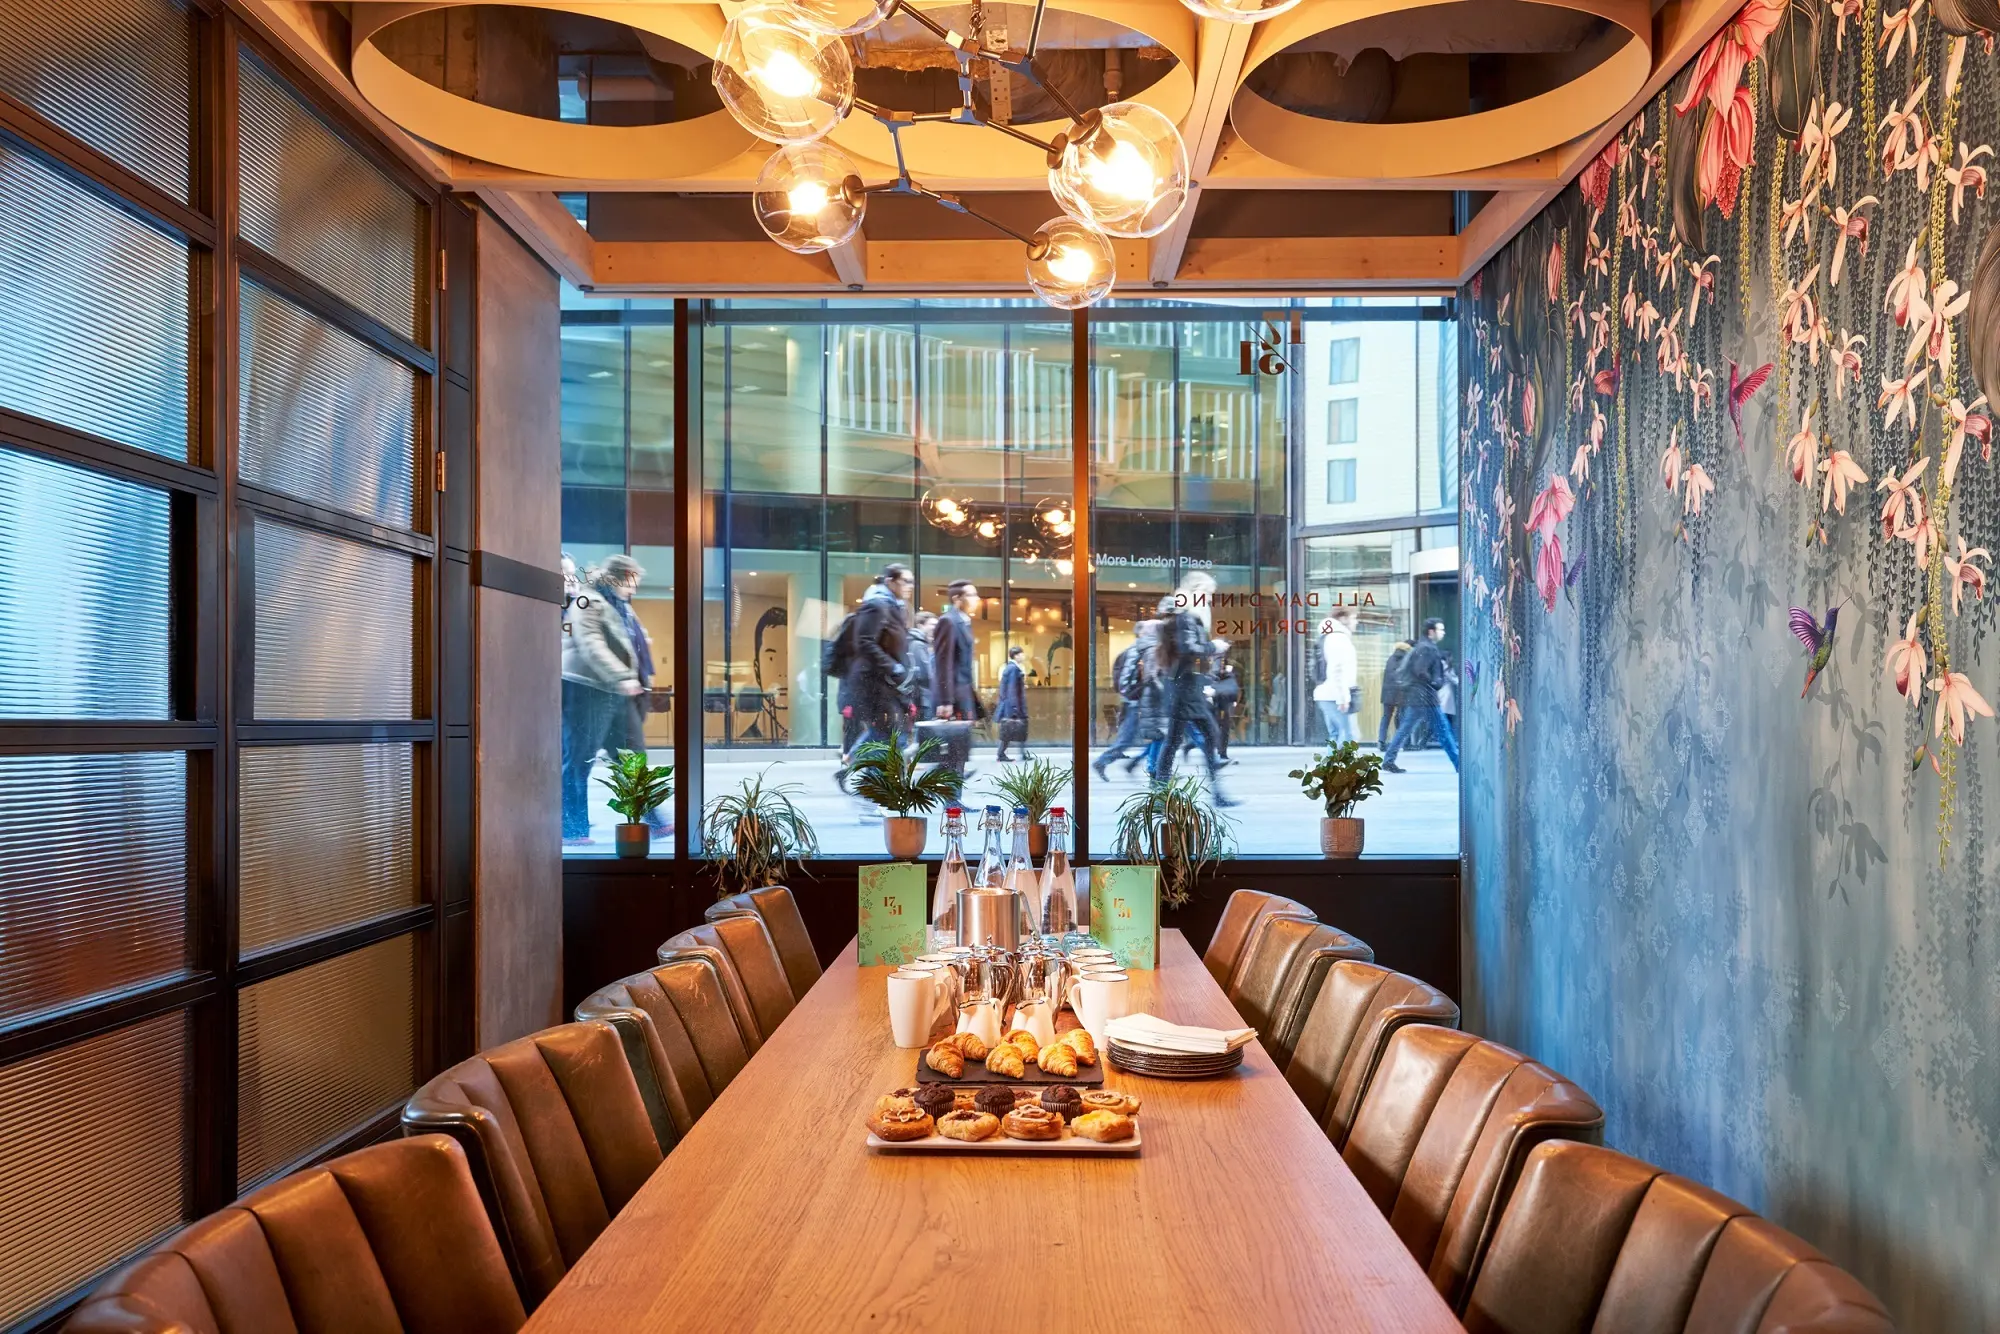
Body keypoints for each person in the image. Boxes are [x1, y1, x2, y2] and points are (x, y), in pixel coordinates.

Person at [560, 554, 646, 845]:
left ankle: (654, 820)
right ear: (618, 577)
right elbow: (591, 645)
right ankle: (572, 830)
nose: (634, 589)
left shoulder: (618, 605)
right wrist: (623, 676)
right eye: (631, 583)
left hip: (611, 689)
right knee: (579, 760)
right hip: (586, 689)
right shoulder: (588, 600)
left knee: (632, 755)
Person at [1152, 577, 1235, 805]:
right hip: (1184, 690)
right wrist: (1214, 647)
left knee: (1189, 738)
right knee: (1194, 737)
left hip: (1187, 688)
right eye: (1207, 593)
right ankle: (1164, 792)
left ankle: (1164, 792)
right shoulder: (1187, 618)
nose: (1209, 598)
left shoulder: (1187, 618)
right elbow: (1188, 649)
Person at [834, 563, 914, 791]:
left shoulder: (891, 606)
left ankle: (853, 771)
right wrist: (894, 666)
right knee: (887, 736)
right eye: (905, 581)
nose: (910, 586)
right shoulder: (877, 605)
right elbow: (865, 642)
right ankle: (870, 787)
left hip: (885, 683)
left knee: (885, 735)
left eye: (911, 582)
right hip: (873, 684)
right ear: (890, 581)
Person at [1383, 618, 1459, 773]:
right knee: (1444, 731)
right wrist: (1435, 682)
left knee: (1405, 729)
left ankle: (1388, 759)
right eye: (1440, 629)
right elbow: (1420, 671)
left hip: (1419, 696)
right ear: (1431, 632)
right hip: (1426, 697)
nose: (1443, 632)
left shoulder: (1422, 646)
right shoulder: (1427, 648)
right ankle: (1459, 764)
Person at [929, 579, 982, 776]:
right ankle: (950, 795)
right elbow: (944, 663)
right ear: (957, 599)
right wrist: (945, 700)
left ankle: (950, 787)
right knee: (955, 748)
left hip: (962, 693)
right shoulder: (948, 621)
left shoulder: (963, 622)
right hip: (954, 697)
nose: (977, 599)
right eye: (972, 595)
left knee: (959, 747)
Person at [1092, 620, 1155, 779]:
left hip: (1138, 702)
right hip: (1135, 703)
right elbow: (1125, 682)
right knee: (1127, 740)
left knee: (1156, 736)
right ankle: (1104, 761)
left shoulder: (1140, 651)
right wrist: (1137, 692)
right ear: (1141, 634)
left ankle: (1140, 766)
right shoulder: (1135, 651)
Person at [1312, 607, 1360, 745]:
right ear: (1343, 619)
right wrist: (1343, 698)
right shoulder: (1338, 638)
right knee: (1348, 736)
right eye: (1353, 618)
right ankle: (1338, 767)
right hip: (1335, 696)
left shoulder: (1327, 637)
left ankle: (1331, 766)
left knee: (1336, 735)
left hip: (1327, 694)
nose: (1355, 622)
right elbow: (1336, 670)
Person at [995, 645, 1030, 762]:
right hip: (1013, 706)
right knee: (1009, 730)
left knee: (1015, 729)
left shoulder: (1011, 668)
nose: (1023, 656)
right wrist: (1015, 708)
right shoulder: (1013, 669)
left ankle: (1020, 753)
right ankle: (1001, 754)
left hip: (1012, 705)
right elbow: (1012, 689)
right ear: (1016, 655)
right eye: (1021, 654)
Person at [1378, 636, 1413, 749]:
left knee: (1386, 717)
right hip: (1400, 693)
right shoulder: (1406, 659)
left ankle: (1381, 741)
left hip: (1387, 693)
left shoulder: (1391, 658)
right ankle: (1405, 743)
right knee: (1402, 718)